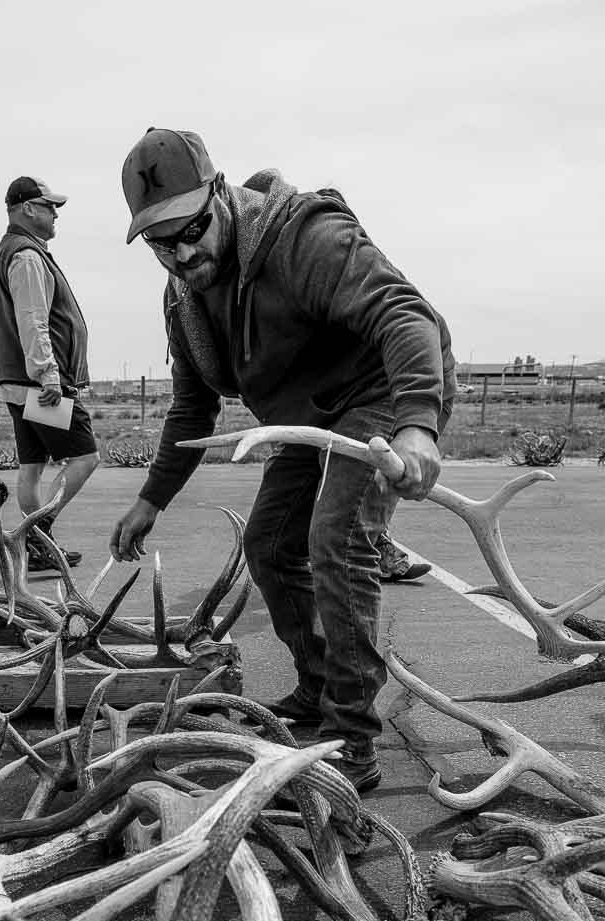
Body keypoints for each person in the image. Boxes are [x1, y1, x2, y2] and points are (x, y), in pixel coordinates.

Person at [109, 128, 454, 792]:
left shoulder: (303, 235)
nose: (182, 253)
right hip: (303, 416)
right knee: (268, 543)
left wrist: (417, 427)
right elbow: (191, 406)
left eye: (192, 229)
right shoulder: (185, 300)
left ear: (222, 192)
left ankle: (351, 739)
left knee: (338, 536)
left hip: (378, 390)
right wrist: (151, 499)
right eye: (160, 243)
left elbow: (404, 316)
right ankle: (320, 685)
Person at [0, 176, 98, 570]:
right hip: (42, 386)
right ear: (27, 209)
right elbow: (33, 321)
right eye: (49, 206)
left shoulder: (11, 252)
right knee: (85, 458)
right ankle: (35, 535)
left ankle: (37, 547)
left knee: (32, 468)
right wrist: (48, 375)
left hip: (20, 385)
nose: (55, 213)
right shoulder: (27, 256)